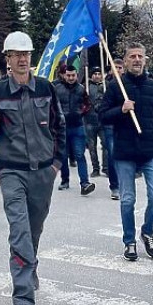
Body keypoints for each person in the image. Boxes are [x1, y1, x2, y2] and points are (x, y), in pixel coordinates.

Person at [0, 31, 65, 305]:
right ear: (7, 58)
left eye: (26, 54)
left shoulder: (45, 88)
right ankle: (22, 300)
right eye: (16, 54)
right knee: (19, 232)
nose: (22, 59)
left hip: (43, 172)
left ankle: (31, 265)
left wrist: (56, 163)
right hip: (12, 171)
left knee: (33, 230)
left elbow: (59, 127)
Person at [100, 43, 153, 262]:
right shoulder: (115, 87)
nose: (137, 59)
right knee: (127, 199)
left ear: (145, 60)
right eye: (132, 56)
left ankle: (147, 231)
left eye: (140, 56)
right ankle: (129, 240)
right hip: (125, 151)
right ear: (126, 61)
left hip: (150, 148)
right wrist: (121, 110)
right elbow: (101, 115)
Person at [54, 65, 95, 195]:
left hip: (78, 126)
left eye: (73, 75)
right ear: (64, 75)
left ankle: (84, 183)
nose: (71, 78)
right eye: (68, 75)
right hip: (62, 127)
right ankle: (64, 180)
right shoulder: (57, 88)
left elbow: (88, 104)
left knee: (79, 155)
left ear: (76, 75)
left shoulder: (81, 89)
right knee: (64, 155)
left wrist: (80, 112)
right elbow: (52, 105)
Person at [102, 58, 123, 199]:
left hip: (125, 124)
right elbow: (99, 105)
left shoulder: (127, 84)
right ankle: (114, 185)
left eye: (120, 67)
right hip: (110, 124)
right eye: (115, 67)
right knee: (112, 153)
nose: (118, 70)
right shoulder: (104, 84)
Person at [85, 67, 106, 178]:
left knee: (106, 145)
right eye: (95, 74)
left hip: (103, 121)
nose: (97, 76)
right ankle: (95, 168)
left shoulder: (106, 86)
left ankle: (106, 167)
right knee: (92, 146)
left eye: (99, 73)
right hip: (90, 121)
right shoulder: (86, 87)